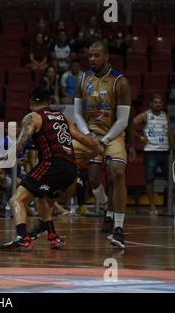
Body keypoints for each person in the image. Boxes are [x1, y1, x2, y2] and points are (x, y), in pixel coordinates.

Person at [0, 87, 103, 251]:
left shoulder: (32, 117)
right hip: (71, 169)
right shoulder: (63, 117)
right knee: (41, 198)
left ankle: (22, 238)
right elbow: (84, 139)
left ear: (31, 103)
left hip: (52, 164)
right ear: (49, 103)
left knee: (16, 200)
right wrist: (99, 151)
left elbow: (19, 146)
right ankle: (52, 236)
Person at [72, 41, 132, 249]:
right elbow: (77, 114)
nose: (92, 59)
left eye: (96, 56)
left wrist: (103, 141)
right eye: (90, 55)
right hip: (90, 134)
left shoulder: (120, 82)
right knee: (94, 177)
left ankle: (118, 228)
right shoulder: (82, 79)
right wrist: (89, 137)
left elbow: (123, 120)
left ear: (107, 57)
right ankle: (107, 206)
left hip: (112, 135)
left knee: (117, 173)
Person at [133, 94, 175, 215]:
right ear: (150, 103)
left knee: (171, 180)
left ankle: (170, 206)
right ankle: (152, 206)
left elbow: (170, 132)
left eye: (160, 102)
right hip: (150, 151)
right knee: (150, 180)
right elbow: (130, 125)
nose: (158, 104)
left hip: (165, 151)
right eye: (155, 102)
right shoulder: (145, 115)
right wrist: (140, 137)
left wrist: (174, 148)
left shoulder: (165, 116)